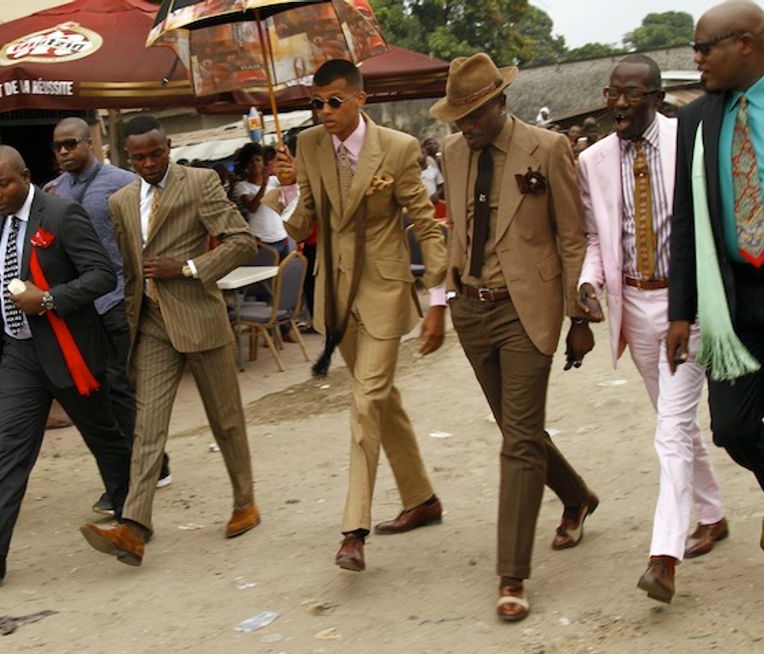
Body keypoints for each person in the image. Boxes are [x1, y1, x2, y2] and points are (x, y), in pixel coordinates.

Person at [430, 53, 598, 622]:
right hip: (472, 310)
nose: (465, 126)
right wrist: (447, 293)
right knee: (516, 428)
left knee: (517, 441)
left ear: (500, 102)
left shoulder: (547, 149)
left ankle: (512, 574)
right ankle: (576, 496)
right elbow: (455, 224)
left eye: (474, 114)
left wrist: (579, 316)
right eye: (458, 117)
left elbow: (573, 237)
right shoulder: (454, 153)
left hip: (529, 311)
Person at [271, 59, 449, 573]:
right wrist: (287, 186)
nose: (323, 112)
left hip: (385, 291)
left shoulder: (398, 148)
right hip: (335, 296)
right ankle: (422, 499)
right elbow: (301, 224)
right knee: (383, 399)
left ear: (359, 100)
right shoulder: (307, 146)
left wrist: (438, 299)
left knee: (365, 401)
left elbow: (426, 223)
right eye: (316, 102)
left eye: (333, 101)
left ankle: (354, 529)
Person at [0, 145, 132, 584]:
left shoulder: (62, 215)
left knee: (105, 438)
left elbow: (101, 274)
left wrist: (46, 300)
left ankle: (131, 517)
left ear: (24, 176)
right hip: (21, 355)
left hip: (70, 351)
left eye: (3, 183)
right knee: (12, 452)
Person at [577, 55, 728, 604]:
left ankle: (664, 557)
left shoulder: (689, 137)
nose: (618, 103)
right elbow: (598, 237)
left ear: (657, 96)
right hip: (636, 307)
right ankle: (711, 514)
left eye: (631, 94)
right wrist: (589, 284)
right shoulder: (592, 160)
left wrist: (694, 305)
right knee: (677, 422)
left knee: (670, 429)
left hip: (690, 304)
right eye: (612, 93)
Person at [79, 115, 259, 567]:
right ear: (127, 156)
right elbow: (129, 267)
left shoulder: (199, 183)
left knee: (226, 419)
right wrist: (130, 321)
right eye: (138, 157)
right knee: (147, 426)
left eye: (155, 153)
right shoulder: (121, 201)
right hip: (152, 325)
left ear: (168, 146)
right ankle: (135, 527)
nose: (148, 163)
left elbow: (242, 241)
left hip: (199, 316)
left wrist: (189, 267)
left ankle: (245, 502)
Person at [667, 0, 764, 552]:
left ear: (744, 44)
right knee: (733, 429)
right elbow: (686, 220)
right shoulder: (697, 117)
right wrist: (682, 312)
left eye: (705, 47)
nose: (696, 58)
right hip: (731, 301)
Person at [45, 118, 171, 514]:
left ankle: (148, 468)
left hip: (118, 296)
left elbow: (150, 226)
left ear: (90, 143)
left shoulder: (121, 182)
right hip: (82, 307)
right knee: (100, 390)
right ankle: (132, 469)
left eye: (70, 144)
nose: (64, 152)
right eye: (58, 147)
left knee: (122, 386)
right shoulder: (54, 192)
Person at [234, 142, 292, 259]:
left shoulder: (274, 180)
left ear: (263, 163)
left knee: (285, 274)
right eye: (251, 161)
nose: (255, 163)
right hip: (262, 240)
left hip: (281, 236)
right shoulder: (242, 186)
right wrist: (263, 186)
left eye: (258, 160)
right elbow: (252, 208)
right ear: (246, 166)